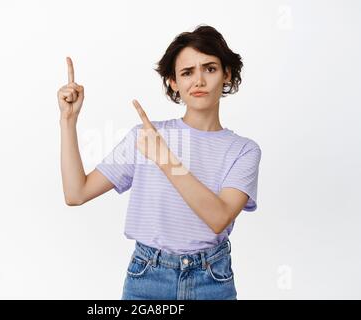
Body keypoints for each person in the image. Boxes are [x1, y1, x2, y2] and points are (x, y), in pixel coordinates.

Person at [57, 24, 261, 300]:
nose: (198, 81)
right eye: (187, 72)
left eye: (209, 69)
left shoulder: (243, 150)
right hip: (148, 277)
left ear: (226, 74)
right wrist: (68, 120)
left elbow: (219, 217)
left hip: (212, 279)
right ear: (174, 82)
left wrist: (165, 159)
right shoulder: (145, 136)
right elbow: (76, 193)